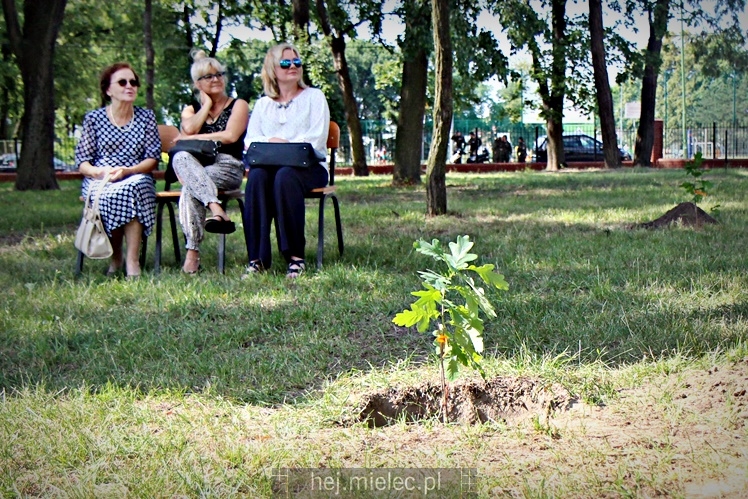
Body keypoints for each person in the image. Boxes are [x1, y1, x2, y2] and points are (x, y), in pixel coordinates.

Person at [243, 42, 330, 279]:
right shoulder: (262, 104)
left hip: (309, 167)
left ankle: (295, 257)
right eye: (285, 62)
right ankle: (257, 259)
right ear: (272, 68)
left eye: (297, 62)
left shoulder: (315, 97)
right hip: (269, 168)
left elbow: (316, 138)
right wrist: (274, 141)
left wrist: (284, 146)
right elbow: (251, 141)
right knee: (257, 177)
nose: (293, 66)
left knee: (285, 176)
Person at [75, 62, 161, 279]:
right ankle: (115, 257)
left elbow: (152, 158)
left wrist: (128, 171)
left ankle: (132, 261)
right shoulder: (94, 119)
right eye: (122, 82)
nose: (129, 86)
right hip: (101, 176)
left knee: (133, 188)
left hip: (136, 173)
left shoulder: (146, 117)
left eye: (133, 82)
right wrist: (98, 173)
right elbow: (83, 161)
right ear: (108, 90)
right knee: (107, 193)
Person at [170, 50, 249, 274]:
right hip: (197, 166)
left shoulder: (238, 105)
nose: (216, 79)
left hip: (228, 166)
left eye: (219, 74)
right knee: (181, 158)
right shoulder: (191, 109)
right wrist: (205, 106)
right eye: (208, 77)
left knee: (190, 185)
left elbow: (230, 136)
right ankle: (217, 209)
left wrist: (192, 138)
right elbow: (189, 127)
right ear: (197, 84)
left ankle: (192, 253)